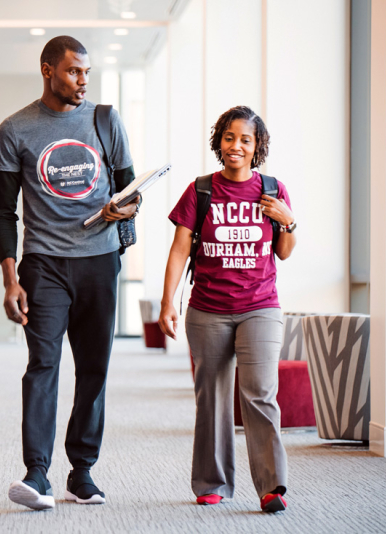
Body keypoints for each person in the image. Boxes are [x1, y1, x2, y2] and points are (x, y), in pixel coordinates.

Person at [0, 35, 139, 510]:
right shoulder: (15, 129)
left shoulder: (105, 120)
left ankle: (82, 471)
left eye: (87, 74)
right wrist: (10, 278)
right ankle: (37, 473)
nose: (82, 81)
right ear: (47, 69)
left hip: (99, 261)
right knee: (43, 366)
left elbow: (131, 191)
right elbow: (3, 212)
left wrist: (126, 209)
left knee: (94, 368)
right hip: (44, 265)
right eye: (74, 71)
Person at [158, 105, 296, 513]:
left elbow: (284, 253)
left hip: (260, 307)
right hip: (208, 310)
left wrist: (288, 220)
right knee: (212, 397)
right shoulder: (201, 190)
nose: (236, 145)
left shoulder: (272, 188)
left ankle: (272, 487)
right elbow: (180, 248)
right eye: (229, 137)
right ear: (220, 141)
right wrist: (168, 303)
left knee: (260, 394)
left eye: (246, 139)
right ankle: (211, 482)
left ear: (258, 147)